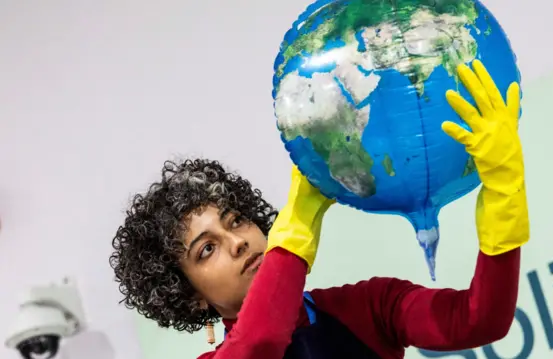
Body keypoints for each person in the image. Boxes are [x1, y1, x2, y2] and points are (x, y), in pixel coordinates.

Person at [109, 60, 529, 359]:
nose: (237, 242)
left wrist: (504, 192)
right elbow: (260, 344)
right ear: (190, 298)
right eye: (207, 249)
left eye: (236, 220)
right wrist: (298, 230)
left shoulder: (369, 306)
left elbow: (478, 320)